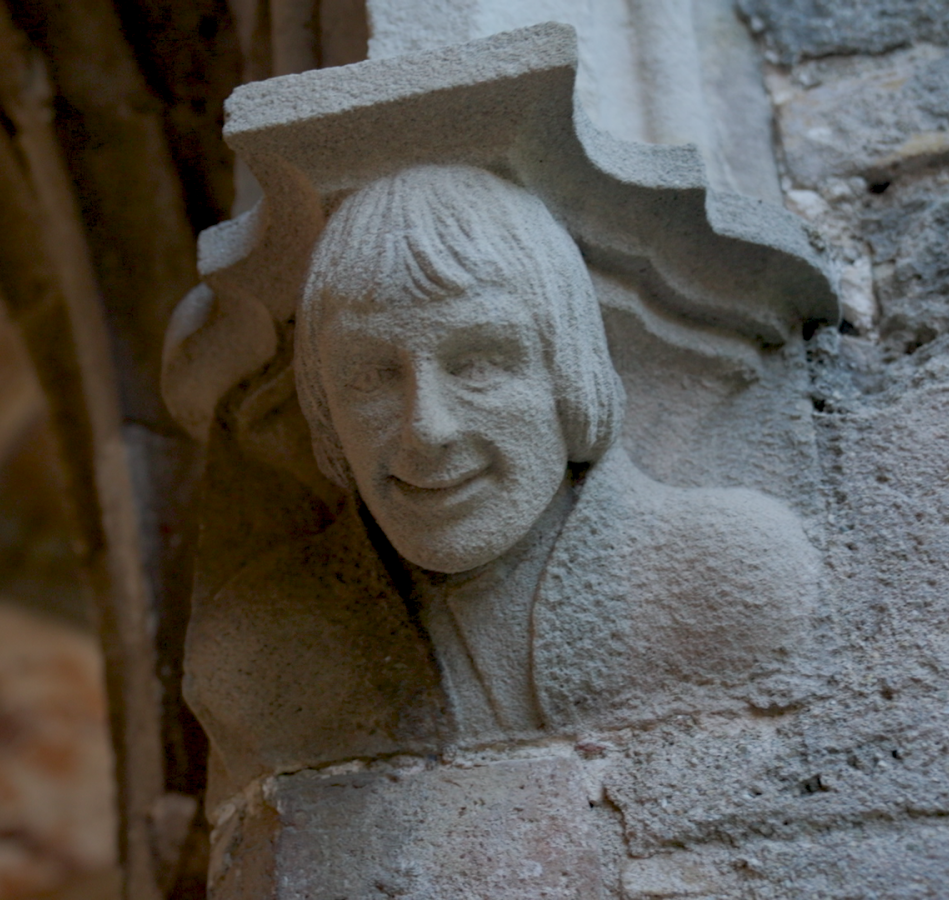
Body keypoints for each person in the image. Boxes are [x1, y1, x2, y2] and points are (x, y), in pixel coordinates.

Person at [182, 164, 817, 799]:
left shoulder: (731, 575)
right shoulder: (258, 652)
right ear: (323, 411)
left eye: (478, 362)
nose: (426, 428)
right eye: (373, 377)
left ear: (567, 376)